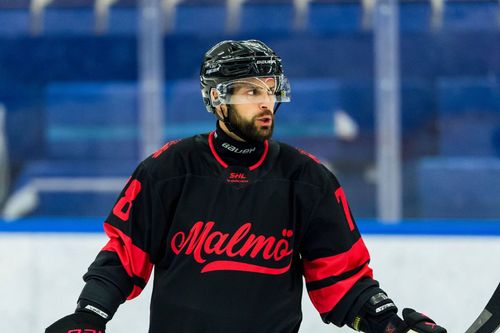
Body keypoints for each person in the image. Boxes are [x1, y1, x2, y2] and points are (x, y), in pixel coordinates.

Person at [46, 39, 446, 333]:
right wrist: (90, 315)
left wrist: (388, 323)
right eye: (252, 91)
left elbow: (339, 278)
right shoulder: (168, 169)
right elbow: (123, 256)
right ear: (219, 100)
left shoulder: (307, 179)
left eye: (270, 90)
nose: (266, 103)